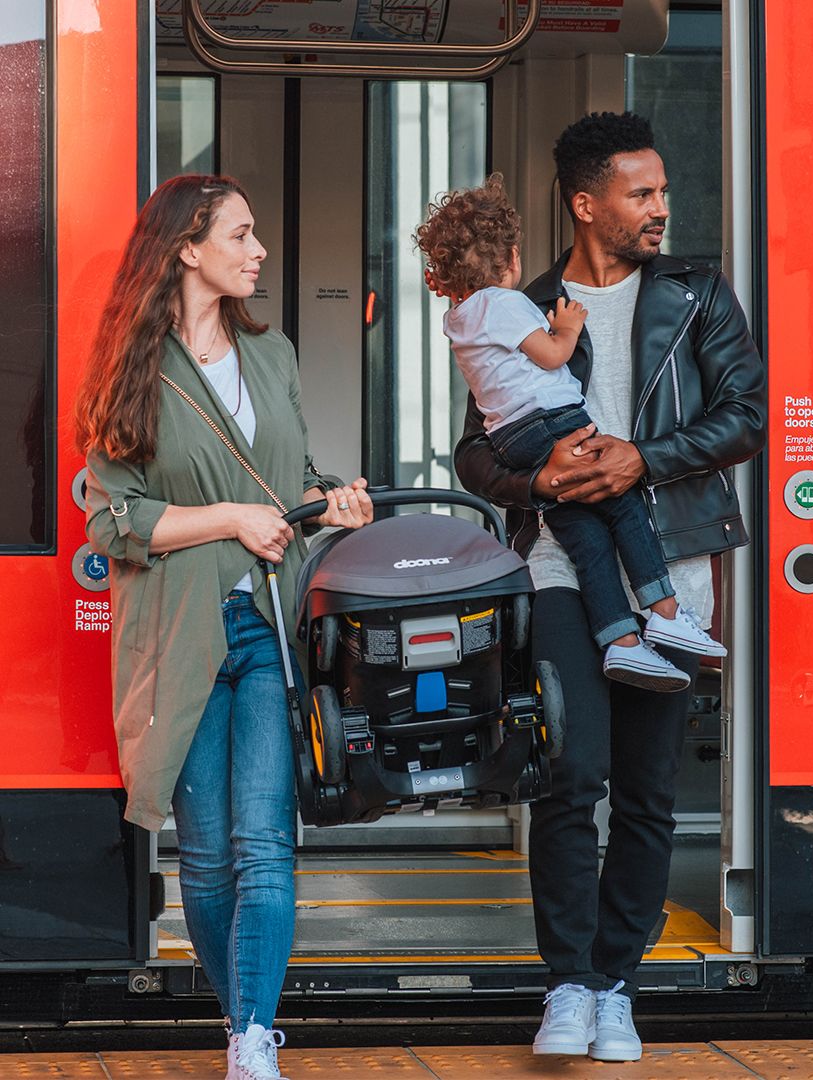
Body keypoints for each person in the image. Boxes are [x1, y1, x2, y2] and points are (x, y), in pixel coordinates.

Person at [454, 113, 766, 1061]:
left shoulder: (699, 294)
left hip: (671, 560)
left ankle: (617, 985)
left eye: (663, 192)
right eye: (643, 194)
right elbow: (475, 449)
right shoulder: (522, 302)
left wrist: (642, 460)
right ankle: (568, 987)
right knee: (567, 778)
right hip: (558, 565)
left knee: (644, 793)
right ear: (587, 204)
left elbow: (744, 414)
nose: (662, 209)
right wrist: (538, 481)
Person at [75, 175, 373, 1080]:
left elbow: (288, 484)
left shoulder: (273, 354)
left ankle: (252, 1035)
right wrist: (233, 520)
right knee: (204, 861)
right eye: (241, 235)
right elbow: (113, 520)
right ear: (186, 249)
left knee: (264, 846)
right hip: (183, 633)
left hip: (269, 631)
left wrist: (332, 504)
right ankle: (238, 1015)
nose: (259, 251)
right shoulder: (134, 366)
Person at [415, 175, 726, 694]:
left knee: (585, 538)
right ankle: (667, 613)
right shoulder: (508, 303)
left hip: (514, 440)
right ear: (511, 258)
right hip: (552, 421)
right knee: (623, 504)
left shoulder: (459, 318)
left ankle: (622, 644)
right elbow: (553, 356)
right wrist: (569, 326)